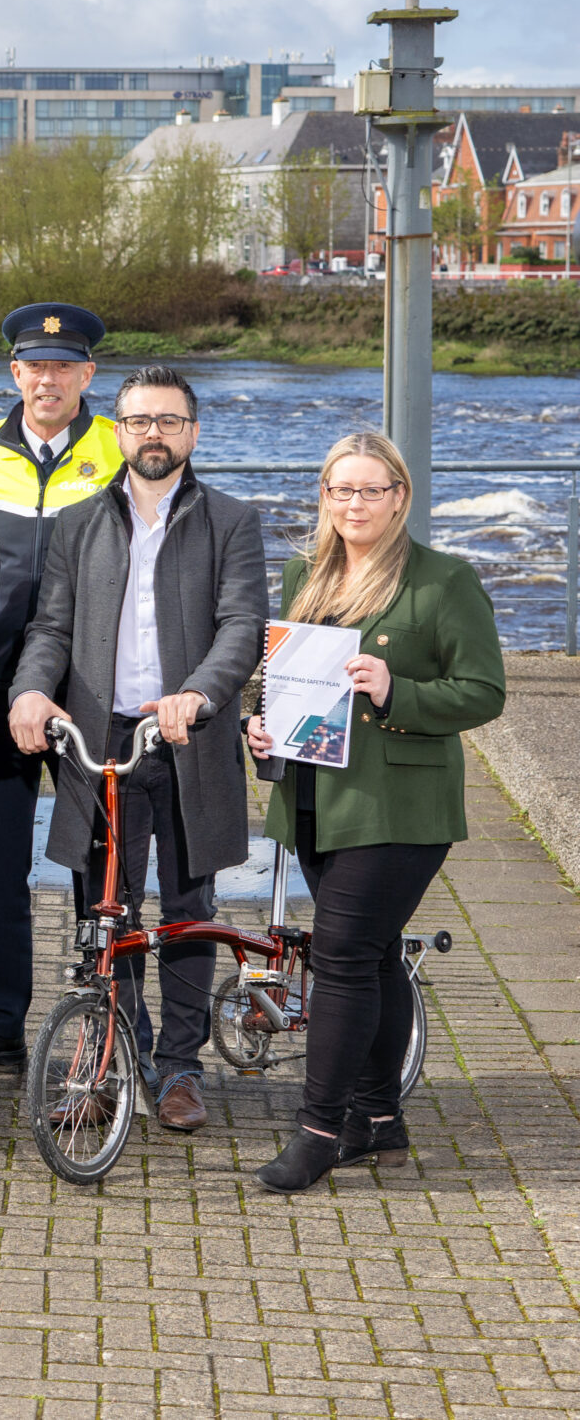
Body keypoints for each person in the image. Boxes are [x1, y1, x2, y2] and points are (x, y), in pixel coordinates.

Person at [243, 432, 504, 1192]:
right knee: (377, 955)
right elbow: (278, 685)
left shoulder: (443, 581)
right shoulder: (304, 573)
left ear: (400, 496)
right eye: (340, 490)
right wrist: (258, 729)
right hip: (319, 799)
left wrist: (395, 690)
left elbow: (484, 691)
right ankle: (380, 1122)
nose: (354, 504)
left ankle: (320, 1129)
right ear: (324, 496)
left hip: (400, 806)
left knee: (342, 954)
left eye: (370, 490)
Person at [8, 366, 267, 1134]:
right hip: (103, 745)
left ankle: (182, 1069)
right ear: (116, 431)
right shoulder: (79, 523)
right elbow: (50, 627)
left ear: (193, 431)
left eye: (169, 419)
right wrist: (29, 690)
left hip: (187, 739)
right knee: (104, 911)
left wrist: (198, 693)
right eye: (139, 420)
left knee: (189, 911)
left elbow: (242, 624)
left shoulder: (231, 519)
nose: (154, 432)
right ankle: (111, 1060)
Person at [0, 304, 122, 1080]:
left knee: (103, 867)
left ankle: (113, 1030)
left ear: (88, 375)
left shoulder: (126, 452)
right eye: (35, 364)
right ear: (14, 372)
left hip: (93, 689)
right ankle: (0, 1026)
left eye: (64, 365)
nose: (48, 378)